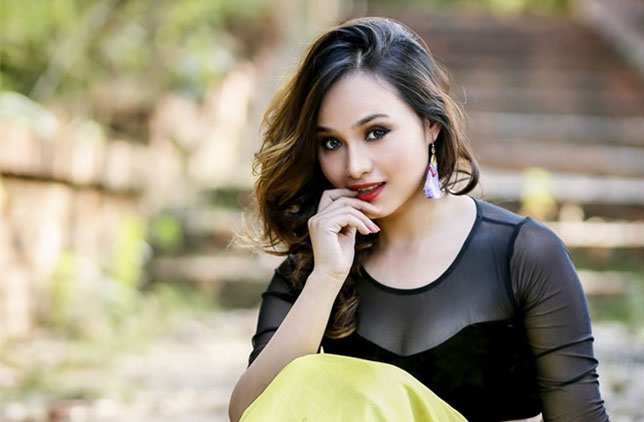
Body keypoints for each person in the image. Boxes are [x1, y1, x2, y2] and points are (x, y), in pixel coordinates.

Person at [228, 16, 610, 422]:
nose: (355, 166)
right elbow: (252, 413)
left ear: (430, 124)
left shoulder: (523, 255)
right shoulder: (316, 265)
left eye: (376, 132)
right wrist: (325, 279)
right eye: (331, 142)